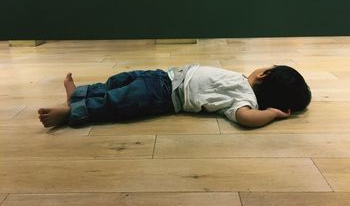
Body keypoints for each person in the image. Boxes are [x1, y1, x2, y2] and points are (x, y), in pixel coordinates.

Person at [38, 65, 311, 129]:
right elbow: (249, 80)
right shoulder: (242, 83)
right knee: (118, 82)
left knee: (118, 102)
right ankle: (80, 95)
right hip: (162, 76)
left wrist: (272, 114)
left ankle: (71, 113)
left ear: (264, 76)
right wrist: (255, 80)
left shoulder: (243, 101)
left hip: (164, 95)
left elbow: (246, 118)